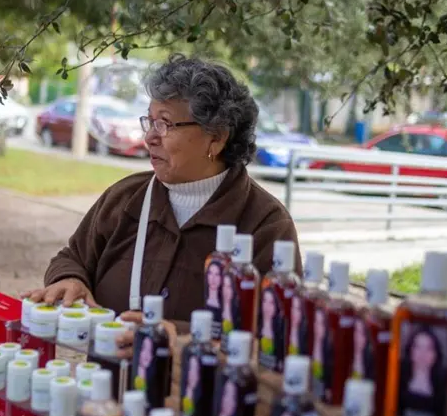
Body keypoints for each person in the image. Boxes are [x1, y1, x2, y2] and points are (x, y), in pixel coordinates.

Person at [23, 54, 301, 350]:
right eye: (150, 122)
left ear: (216, 138)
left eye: (165, 124)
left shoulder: (266, 225)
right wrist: (70, 280)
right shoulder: (125, 198)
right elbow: (72, 257)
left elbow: (276, 333)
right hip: (105, 386)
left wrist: (179, 336)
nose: (149, 138)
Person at [397, 325, 447, 416]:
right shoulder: (398, 376)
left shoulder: (444, 383)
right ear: (410, 350)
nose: (422, 354)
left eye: (429, 348)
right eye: (418, 347)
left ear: (436, 354)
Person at [220, 271, 238, 336]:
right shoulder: (218, 308)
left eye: (229, 286)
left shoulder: (236, 312)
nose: (226, 290)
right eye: (224, 285)